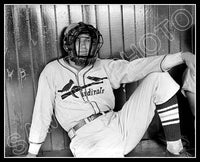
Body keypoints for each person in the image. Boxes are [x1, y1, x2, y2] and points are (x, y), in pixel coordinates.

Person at [26, 22, 195, 157]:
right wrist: (32, 153)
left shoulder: (103, 66)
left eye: (88, 40)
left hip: (119, 123)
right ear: (68, 43)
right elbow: (42, 112)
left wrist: (182, 56)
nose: (85, 45)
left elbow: (137, 67)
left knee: (159, 77)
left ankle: (175, 148)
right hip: (87, 136)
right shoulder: (52, 71)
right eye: (79, 40)